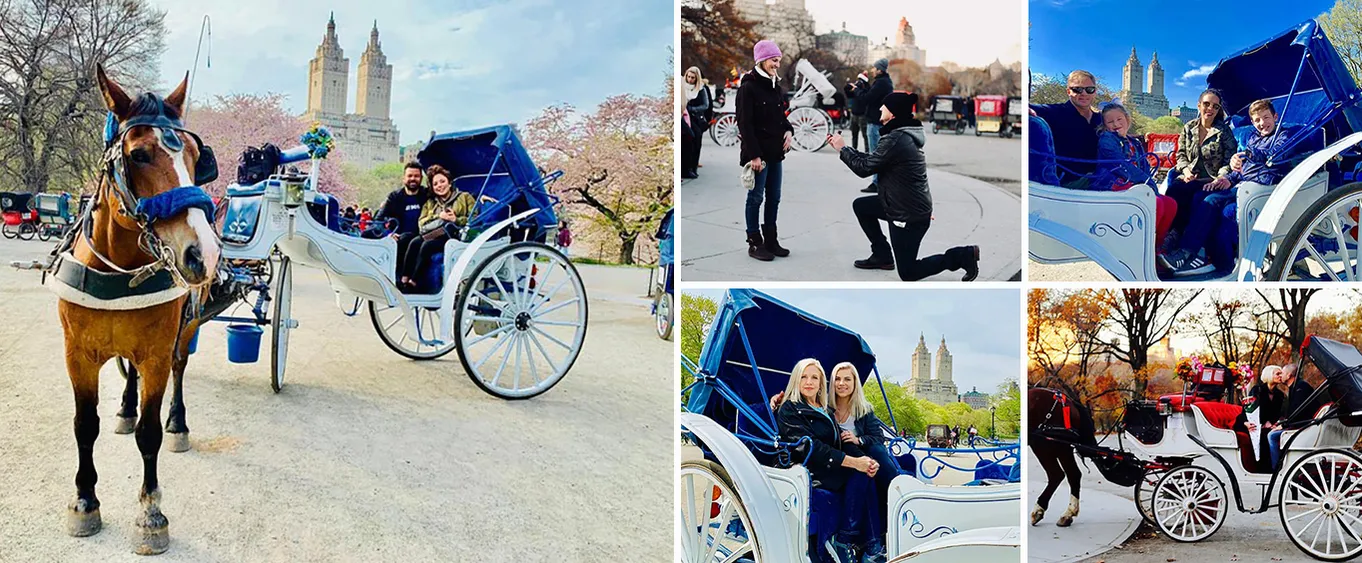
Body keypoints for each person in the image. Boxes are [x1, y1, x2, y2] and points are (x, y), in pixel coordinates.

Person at [829, 92, 982, 281]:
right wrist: (847, 150)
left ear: (892, 112)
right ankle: (882, 255)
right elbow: (873, 161)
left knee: (908, 273)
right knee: (861, 206)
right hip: (903, 205)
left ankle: (963, 256)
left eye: (883, 106)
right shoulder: (900, 135)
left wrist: (843, 149)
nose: (879, 108)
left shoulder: (896, 139)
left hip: (907, 216)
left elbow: (864, 168)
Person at [775, 358, 880, 563]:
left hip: (828, 465)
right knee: (861, 472)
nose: (809, 382)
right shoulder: (790, 408)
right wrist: (855, 462)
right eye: (804, 377)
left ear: (821, 382)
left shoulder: (823, 409)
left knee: (867, 470)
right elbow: (812, 446)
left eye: (815, 377)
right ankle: (848, 539)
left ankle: (872, 542)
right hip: (810, 468)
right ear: (796, 379)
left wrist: (864, 460)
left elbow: (838, 441)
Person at [1160, 89, 1238, 276]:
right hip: (1190, 177)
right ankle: (1171, 237)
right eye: (1206, 104)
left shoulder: (1223, 131)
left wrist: (1221, 177)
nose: (1210, 108)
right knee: (1175, 190)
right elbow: (1180, 154)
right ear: (1199, 105)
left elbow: (1230, 159)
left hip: (1212, 180)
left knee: (1201, 198)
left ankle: (1188, 251)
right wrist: (1186, 170)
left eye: (1215, 106)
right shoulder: (1189, 127)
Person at [737, 39, 795, 262]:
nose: (777, 64)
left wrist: (789, 131)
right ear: (762, 60)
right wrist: (754, 156)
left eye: (779, 60)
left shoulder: (775, 87)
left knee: (774, 197)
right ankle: (755, 242)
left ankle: (771, 239)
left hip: (776, 153)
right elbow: (745, 124)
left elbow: (781, 117)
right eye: (773, 60)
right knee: (755, 198)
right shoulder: (748, 87)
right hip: (758, 155)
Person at [1092, 103, 1178, 243]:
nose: (1116, 124)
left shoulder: (1134, 142)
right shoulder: (1107, 139)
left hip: (1134, 184)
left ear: (1127, 119)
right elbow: (1121, 166)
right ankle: (1141, 244)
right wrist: (1149, 184)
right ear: (1105, 125)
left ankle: (1157, 245)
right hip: (1113, 184)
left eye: (1119, 119)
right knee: (1155, 203)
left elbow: (1143, 167)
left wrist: (1148, 184)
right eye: (1110, 121)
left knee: (1170, 204)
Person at [396, 165, 475, 292]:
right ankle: (404, 279)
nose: (440, 186)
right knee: (415, 242)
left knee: (427, 245)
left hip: (455, 235)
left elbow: (474, 219)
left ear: (449, 183)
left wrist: (456, 220)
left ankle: (414, 282)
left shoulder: (464, 197)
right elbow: (421, 223)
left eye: (442, 181)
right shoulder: (431, 203)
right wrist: (439, 216)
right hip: (435, 233)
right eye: (435, 184)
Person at [1029, 70, 1103, 188]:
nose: (1084, 93)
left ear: (1094, 92)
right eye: (1077, 89)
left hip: (1098, 178)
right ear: (1068, 91)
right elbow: (1027, 106)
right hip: (1068, 185)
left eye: (1089, 89)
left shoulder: (1100, 118)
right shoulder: (1056, 112)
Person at [1267, 363, 1327, 469]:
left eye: (1283, 373)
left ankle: (1276, 470)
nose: (1280, 375)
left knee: (1272, 436)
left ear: (1289, 375)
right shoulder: (1297, 387)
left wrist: (1284, 425)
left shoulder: (1301, 388)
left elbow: (1299, 413)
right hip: (1304, 424)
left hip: (1304, 427)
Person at [377, 162, 431, 271]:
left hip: (421, 238)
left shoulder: (427, 195)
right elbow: (379, 220)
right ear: (404, 178)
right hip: (398, 239)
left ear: (421, 178)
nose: (413, 179)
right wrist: (388, 234)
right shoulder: (394, 197)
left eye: (416, 176)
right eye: (410, 176)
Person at [860, 60, 894, 193]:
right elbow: (873, 95)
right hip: (878, 121)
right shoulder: (884, 82)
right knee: (878, 153)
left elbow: (868, 98)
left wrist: (858, 90)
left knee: (875, 154)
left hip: (875, 122)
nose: (873, 70)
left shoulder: (881, 83)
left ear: (880, 70)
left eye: (874, 68)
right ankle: (880, 182)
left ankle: (876, 183)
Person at [1245, 365, 1287, 463]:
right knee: (1266, 436)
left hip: (1271, 426)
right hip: (1255, 424)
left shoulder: (1280, 395)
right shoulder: (1257, 390)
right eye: (1278, 374)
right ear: (1269, 375)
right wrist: (1264, 423)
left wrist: (1274, 423)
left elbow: (1279, 413)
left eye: (1281, 373)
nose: (1281, 376)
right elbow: (1249, 409)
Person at [683, 66, 712, 179]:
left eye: (693, 78)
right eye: (689, 77)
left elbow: (705, 105)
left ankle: (693, 167)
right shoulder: (682, 87)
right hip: (685, 116)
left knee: (697, 140)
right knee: (689, 139)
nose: (690, 80)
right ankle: (687, 167)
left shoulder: (701, 89)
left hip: (695, 117)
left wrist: (691, 109)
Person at [844, 73, 870, 151]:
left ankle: (867, 151)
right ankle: (854, 150)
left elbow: (865, 97)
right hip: (854, 114)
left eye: (861, 81)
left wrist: (860, 89)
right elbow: (848, 94)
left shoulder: (867, 89)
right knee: (854, 134)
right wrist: (847, 87)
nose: (858, 82)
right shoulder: (856, 89)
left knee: (865, 135)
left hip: (863, 115)